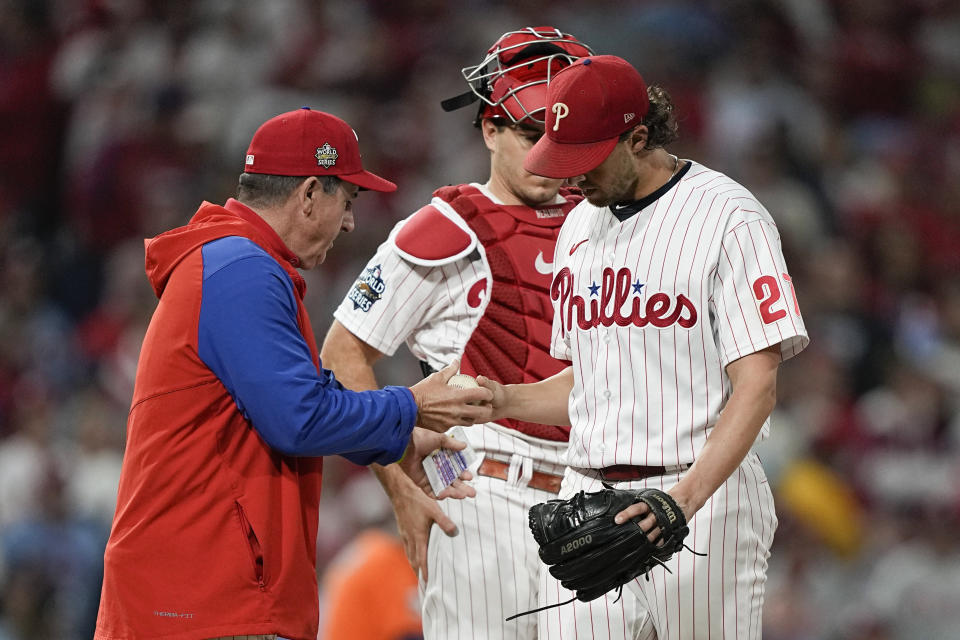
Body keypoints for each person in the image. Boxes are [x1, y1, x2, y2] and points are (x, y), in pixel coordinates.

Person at [93, 107, 492, 640]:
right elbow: (298, 418)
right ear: (308, 195)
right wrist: (411, 405)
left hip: (199, 599)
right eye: (346, 201)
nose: (350, 221)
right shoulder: (242, 270)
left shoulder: (234, 265)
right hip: (205, 602)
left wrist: (398, 440)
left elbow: (304, 403)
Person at [321, 28, 640, 639]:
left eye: (561, 131)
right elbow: (342, 354)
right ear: (490, 129)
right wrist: (397, 482)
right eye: (530, 132)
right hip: (483, 494)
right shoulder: (443, 228)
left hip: (599, 495)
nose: (548, 150)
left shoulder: (611, 222)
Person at [479, 55, 809, 639]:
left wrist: (681, 502)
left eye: (586, 160)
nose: (571, 177)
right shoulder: (580, 225)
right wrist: (502, 398)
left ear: (637, 137)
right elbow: (592, 381)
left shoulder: (728, 218)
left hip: (702, 500)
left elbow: (756, 387)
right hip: (589, 497)